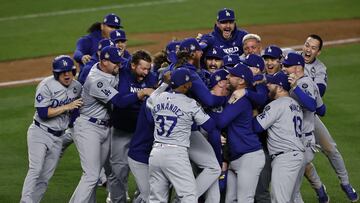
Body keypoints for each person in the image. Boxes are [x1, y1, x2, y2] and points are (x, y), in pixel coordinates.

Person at [146, 68, 219, 202]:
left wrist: (164, 84)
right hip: (176, 154)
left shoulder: (158, 98)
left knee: (156, 199)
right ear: (187, 85)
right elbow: (210, 126)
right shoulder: (189, 104)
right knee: (189, 197)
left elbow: (149, 101)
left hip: (155, 153)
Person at [301, 34, 358, 203]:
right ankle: (319, 188)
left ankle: (345, 183)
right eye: (306, 45)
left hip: (310, 116)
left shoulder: (319, 68)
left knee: (330, 148)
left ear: (318, 52)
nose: (308, 49)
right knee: (300, 159)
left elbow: (319, 92)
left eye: (313, 48)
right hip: (290, 118)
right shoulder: (291, 58)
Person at [69, 46, 128, 203]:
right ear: (104, 62)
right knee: (91, 175)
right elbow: (120, 102)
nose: (119, 65)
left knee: (92, 176)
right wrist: (141, 93)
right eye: (115, 63)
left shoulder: (109, 70)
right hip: (88, 128)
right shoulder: (96, 81)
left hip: (104, 128)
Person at [20, 55, 83, 203]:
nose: (67, 74)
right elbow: (43, 113)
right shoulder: (46, 86)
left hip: (58, 137)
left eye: (69, 71)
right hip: (40, 132)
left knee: (45, 177)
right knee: (35, 169)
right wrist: (67, 107)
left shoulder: (77, 87)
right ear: (56, 73)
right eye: (63, 72)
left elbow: (75, 112)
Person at [108, 50, 157, 203]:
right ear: (133, 65)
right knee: (118, 172)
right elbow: (120, 101)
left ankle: (140, 200)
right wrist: (140, 94)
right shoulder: (122, 75)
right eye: (143, 68)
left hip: (141, 133)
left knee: (145, 169)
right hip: (120, 130)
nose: (146, 72)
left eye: (148, 68)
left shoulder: (151, 77)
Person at [215, 63, 265, 203]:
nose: (228, 77)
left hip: (249, 156)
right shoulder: (237, 97)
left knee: (245, 199)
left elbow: (221, 122)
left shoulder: (241, 101)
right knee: (231, 199)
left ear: (241, 81)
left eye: (232, 75)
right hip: (236, 157)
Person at [253, 71, 305, 203]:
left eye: (271, 83)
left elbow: (257, 127)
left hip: (285, 159)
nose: (268, 85)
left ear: (280, 87)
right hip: (297, 156)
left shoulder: (277, 104)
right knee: (293, 199)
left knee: (279, 200)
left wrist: (253, 112)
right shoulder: (295, 104)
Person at [282, 52, 326, 203]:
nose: (284, 68)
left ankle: (321, 191)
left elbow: (312, 106)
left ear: (298, 67)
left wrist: (296, 88)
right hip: (302, 142)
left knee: (291, 191)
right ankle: (321, 191)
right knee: (293, 189)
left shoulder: (302, 84)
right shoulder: (310, 83)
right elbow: (322, 110)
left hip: (303, 142)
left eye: (287, 66)